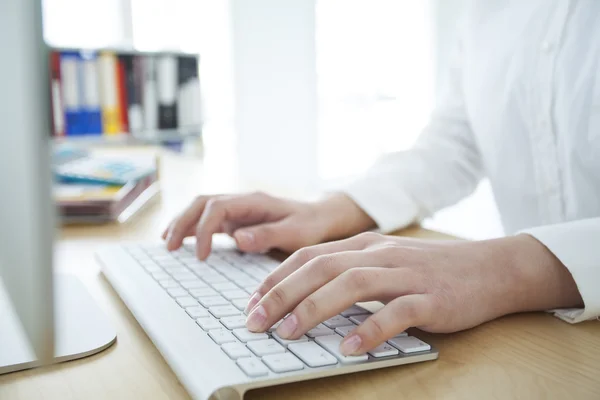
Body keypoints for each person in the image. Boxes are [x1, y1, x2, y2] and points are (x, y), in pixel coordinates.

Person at [163, 2, 599, 357]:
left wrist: (501, 269)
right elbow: (453, 144)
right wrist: (329, 212)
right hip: (541, 338)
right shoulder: (487, 12)